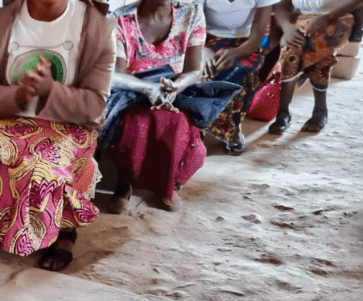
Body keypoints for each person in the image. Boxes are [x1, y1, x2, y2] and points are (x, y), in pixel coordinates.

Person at [0, 0, 114, 268]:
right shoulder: (1, 23)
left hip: (70, 125)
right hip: (12, 119)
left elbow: (95, 105)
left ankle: (64, 233)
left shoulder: (96, 26)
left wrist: (50, 90)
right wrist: (19, 95)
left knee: (41, 168)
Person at [102, 0, 206, 213]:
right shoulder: (121, 18)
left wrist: (176, 86)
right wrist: (148, 89)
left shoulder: (192, 13)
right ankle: (124, 184)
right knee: (136, 124)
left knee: (177, 123)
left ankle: (168, 187)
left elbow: (194, 70)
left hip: (175, 93)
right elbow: (119, 73)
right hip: (133, 92)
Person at [267, 0, 358, 133]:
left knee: (319, 48)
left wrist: (327, 17)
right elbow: (282, 5)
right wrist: (287, 27)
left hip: (338, 16)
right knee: (290, 52)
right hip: (299, 18)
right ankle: (283, 112)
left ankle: (320, 111)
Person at [202, 0, 277, 153]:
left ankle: (232, 129)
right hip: (205, 40)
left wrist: (233, 53)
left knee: (239, 68)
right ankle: (198, 127)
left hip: (245, 44)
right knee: (204, 70)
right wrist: (203, 52)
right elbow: (193, 24)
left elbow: (257, 35)